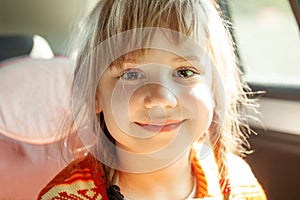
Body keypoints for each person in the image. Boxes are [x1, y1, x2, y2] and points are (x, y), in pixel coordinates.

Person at [38, 0, 267, 199]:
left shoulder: (239, 186)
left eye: (185, 72)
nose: (161, 98)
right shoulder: (66, 197)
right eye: (131, 74)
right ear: (94, 95)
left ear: (215, 90)